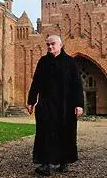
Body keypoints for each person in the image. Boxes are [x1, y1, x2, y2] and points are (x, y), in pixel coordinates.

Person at [26, 34, 84, 176]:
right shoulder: (43, 62)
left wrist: (79, 104)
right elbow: (36, 82)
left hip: (66, 105)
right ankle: (45, 164)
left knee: (65, 132)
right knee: (45, 132)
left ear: (60, 45)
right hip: (47, 104)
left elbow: (77, 84)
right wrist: (31, 101)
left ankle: (64, 162)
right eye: (48, 44)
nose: (50, 47)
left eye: (53, 44)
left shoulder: (70, 62)